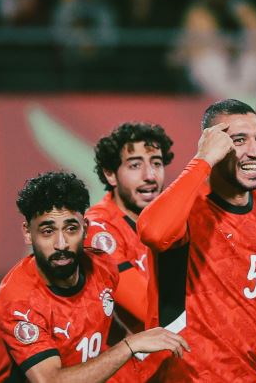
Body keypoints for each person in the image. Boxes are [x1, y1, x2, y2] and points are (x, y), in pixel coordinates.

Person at [137, 99, 256, 382]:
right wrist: (202, 160)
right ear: (215, 145)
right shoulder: (189, 209)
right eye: (239, 140)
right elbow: (153, 232)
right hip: (183, 376)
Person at [0, 171, 188, 383]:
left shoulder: (103, 266)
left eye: (71, 229)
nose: (61, 244)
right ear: (27, 232)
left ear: (85, 228)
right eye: (47, 231)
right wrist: (130, 346)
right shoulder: (18, 302)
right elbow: (51, 381)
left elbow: (103, 323)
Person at [87, 122, 175, 381]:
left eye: (156, 163)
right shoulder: (98, 230)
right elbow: (146, 309)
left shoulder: (169, 220)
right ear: (110, 174)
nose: (150, 175)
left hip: (161, 367)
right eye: (135, 165)